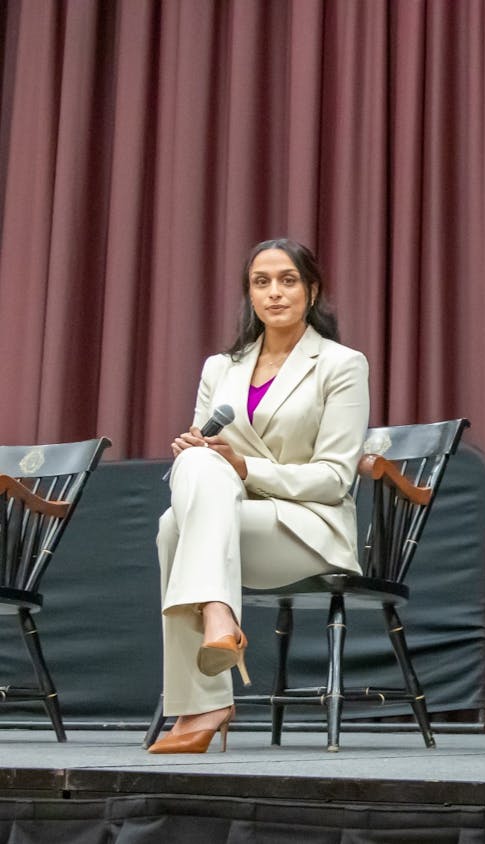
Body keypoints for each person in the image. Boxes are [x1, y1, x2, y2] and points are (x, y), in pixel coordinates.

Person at [148, 239, 370, 754]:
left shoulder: (341, 364)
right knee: (193, 468)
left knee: (173, 530)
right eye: (261, 282)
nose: (274, 293)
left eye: (288, 280)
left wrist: (246, 466)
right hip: (232, 522)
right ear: (249, 294)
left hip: (308, 530)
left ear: (312, 291)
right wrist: (196, 450)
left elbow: (336, 479)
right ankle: (218, 625)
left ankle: (206, 686)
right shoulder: (219, 368)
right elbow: (209, 465)